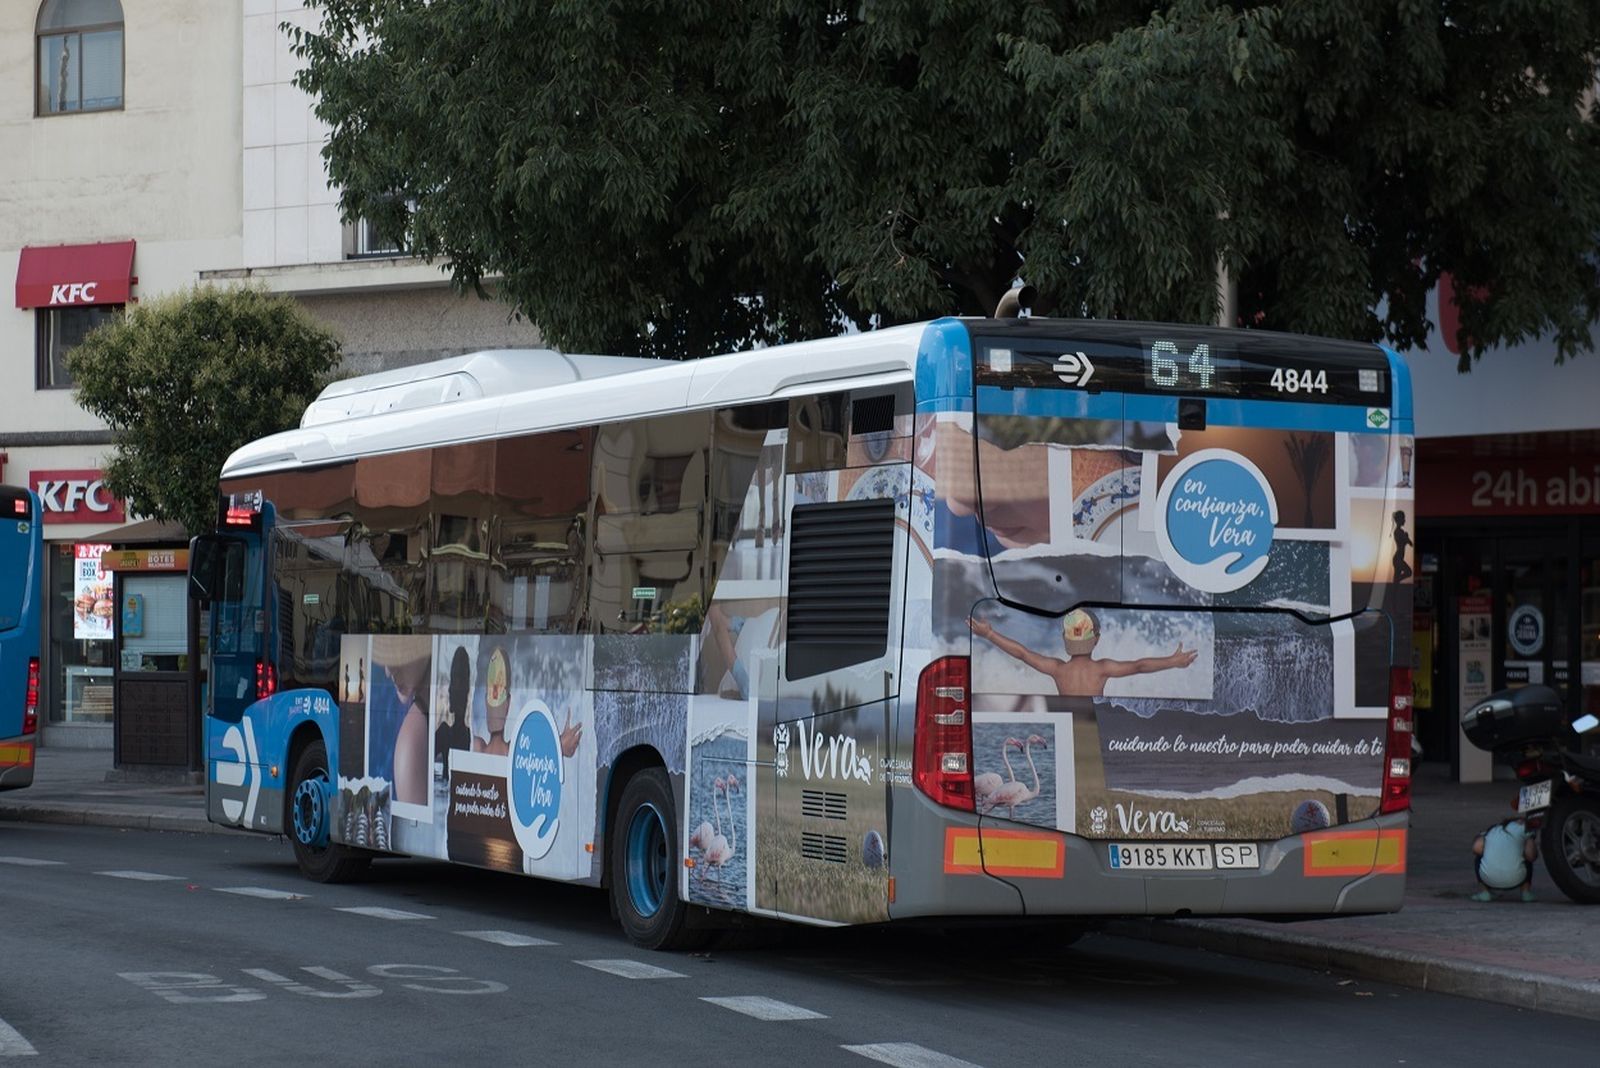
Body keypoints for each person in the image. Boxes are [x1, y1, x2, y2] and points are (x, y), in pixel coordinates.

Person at [970, 607, 1197, 697]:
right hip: (1093, 720)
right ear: (1095, 639)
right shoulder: (1102, 668)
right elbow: (1139, 666)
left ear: (1065, 639)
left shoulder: (1058, 669)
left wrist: (990, 634)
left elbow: (1022, 653)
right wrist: (1172, 661)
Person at [1471, 817, 1537, 902]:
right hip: (1517, 879)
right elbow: (1531, 856)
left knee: (1479, 858)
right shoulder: (1525, 829)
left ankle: (1484, 892)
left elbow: (1476, 848)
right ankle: (1526, 892)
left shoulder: (1493, 829)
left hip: (1488, 879)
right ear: (1520, 822)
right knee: (1527, 858)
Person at [1391, 510, 1413, 583]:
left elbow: (1409, 543)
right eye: (1403, 518)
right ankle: (1396, 581)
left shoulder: (1401, 532)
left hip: (1398, 558)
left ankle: (1396, 583)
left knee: (1397, 581)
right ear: (1399, 520)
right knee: (1409, 572)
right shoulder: (1398, 532)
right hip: (1398, 559)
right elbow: (1407, 542)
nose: (1404, 520)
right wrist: (1407, 538)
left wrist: (1407, 538)